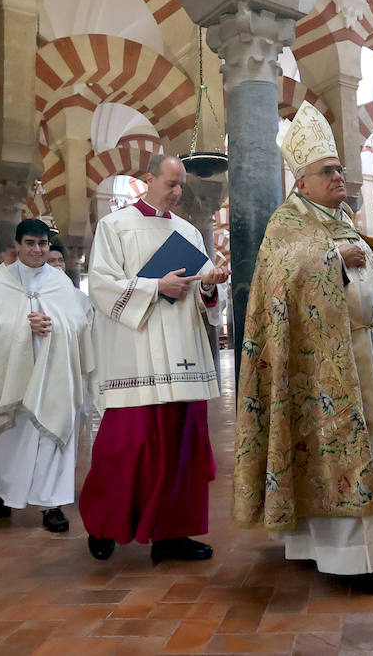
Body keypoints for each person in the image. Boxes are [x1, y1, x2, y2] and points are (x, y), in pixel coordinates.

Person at [232, 102, 373, 597]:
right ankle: (353, 558)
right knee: (334, 454)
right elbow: (276, 282)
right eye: (329, 170)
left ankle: (367, 545)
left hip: (367, 353)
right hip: (319, 369)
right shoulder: (287, 225)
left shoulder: (341, 221)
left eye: (341, 168)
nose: (340, 176)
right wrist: (328, 259)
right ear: (302, 181)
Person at [78, 155, 228, 563]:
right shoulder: (115, 227)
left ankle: (173, 535)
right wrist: (154, 286)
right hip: (136, 357)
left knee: (183, 449)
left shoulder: (189, 233)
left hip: (182, 357)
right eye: (171, 184)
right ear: (148, 180)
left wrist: (210, 287)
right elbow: (103, 288)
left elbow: (204, 296)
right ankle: (105, 524)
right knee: (128, 445)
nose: (178, 193)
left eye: (181, 186)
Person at [0, 218, 94, 532]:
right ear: (17, 246)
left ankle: (51, 505)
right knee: (10, 439)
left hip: (53, 378)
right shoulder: (0, 282)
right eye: (30, 243)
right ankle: (2, 490)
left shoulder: (60, 281)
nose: (38, 250)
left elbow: (78, 324)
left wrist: (52, 323)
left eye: (43, 244)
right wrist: (24, 327)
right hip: (10, 378)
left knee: (53, 441)